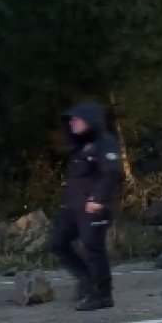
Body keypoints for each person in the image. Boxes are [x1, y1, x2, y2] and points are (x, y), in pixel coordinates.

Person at [50, 101, 123, 311]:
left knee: (93, 249)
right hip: (74, 207)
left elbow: (112, 173)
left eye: (76, 119)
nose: (72, 123)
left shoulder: (105, 143)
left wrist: (98, 199)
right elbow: (77, 180)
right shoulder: (81, 146)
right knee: (58, 242)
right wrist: (67, 203)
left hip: (95, 207)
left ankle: (102, 294)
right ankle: (87, 280)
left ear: (90, 121)